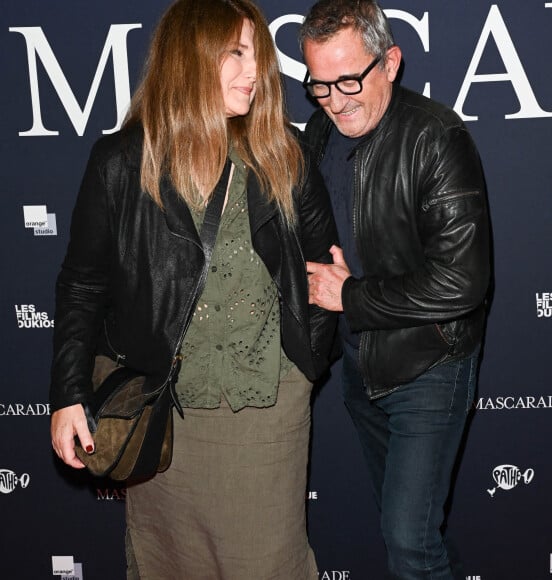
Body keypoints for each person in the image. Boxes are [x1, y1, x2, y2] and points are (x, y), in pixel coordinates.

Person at [50, 0, 337, 578]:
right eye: (235, 52)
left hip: (265, 411)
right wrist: (67, 394)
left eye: (256, 51)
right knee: (168, 564)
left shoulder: (285, 153)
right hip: (162, 411)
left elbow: (320, 268)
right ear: (188, 58)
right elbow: (82, 286)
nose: (255, 69)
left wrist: (304, 368)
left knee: (268, 564)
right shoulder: (122, 161)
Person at [300, 1, 491, 578]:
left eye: (350, 80)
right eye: (319, 86)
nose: (336, 100)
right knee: (416, 536)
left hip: (430, 362)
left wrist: (350, 297)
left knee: (407, 539)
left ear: (391, 62)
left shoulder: (436, 137)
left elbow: (462, 281)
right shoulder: (316, 132)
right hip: (362, 368)